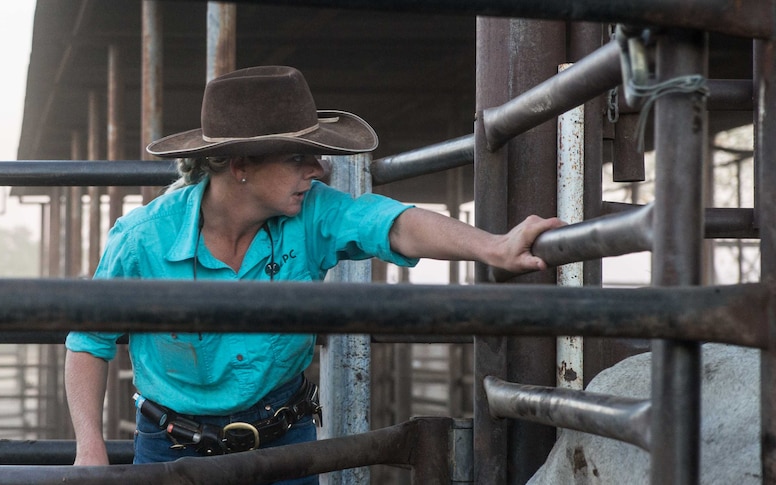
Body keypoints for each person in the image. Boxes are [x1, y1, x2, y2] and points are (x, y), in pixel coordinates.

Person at [64, 65, 564, 483]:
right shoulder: (141, 239)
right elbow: (89, 341)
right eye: (299, 157)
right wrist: (90, 447)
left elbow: (392, 224)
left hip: (285, 446)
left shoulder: (312, 215)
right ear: (240, 164)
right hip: (174, 450)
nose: (319, 170)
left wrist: (494, 247)